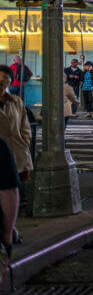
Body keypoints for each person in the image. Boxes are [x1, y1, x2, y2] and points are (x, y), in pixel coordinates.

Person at [0, 66, 31, 265]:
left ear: (11, 82)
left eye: (5, 78)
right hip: (0, 155)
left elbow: (24, 128)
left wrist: (25, 145)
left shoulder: (16, 102)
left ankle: (10, 230)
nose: (2, 80)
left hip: (15, 154)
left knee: (13, 192)